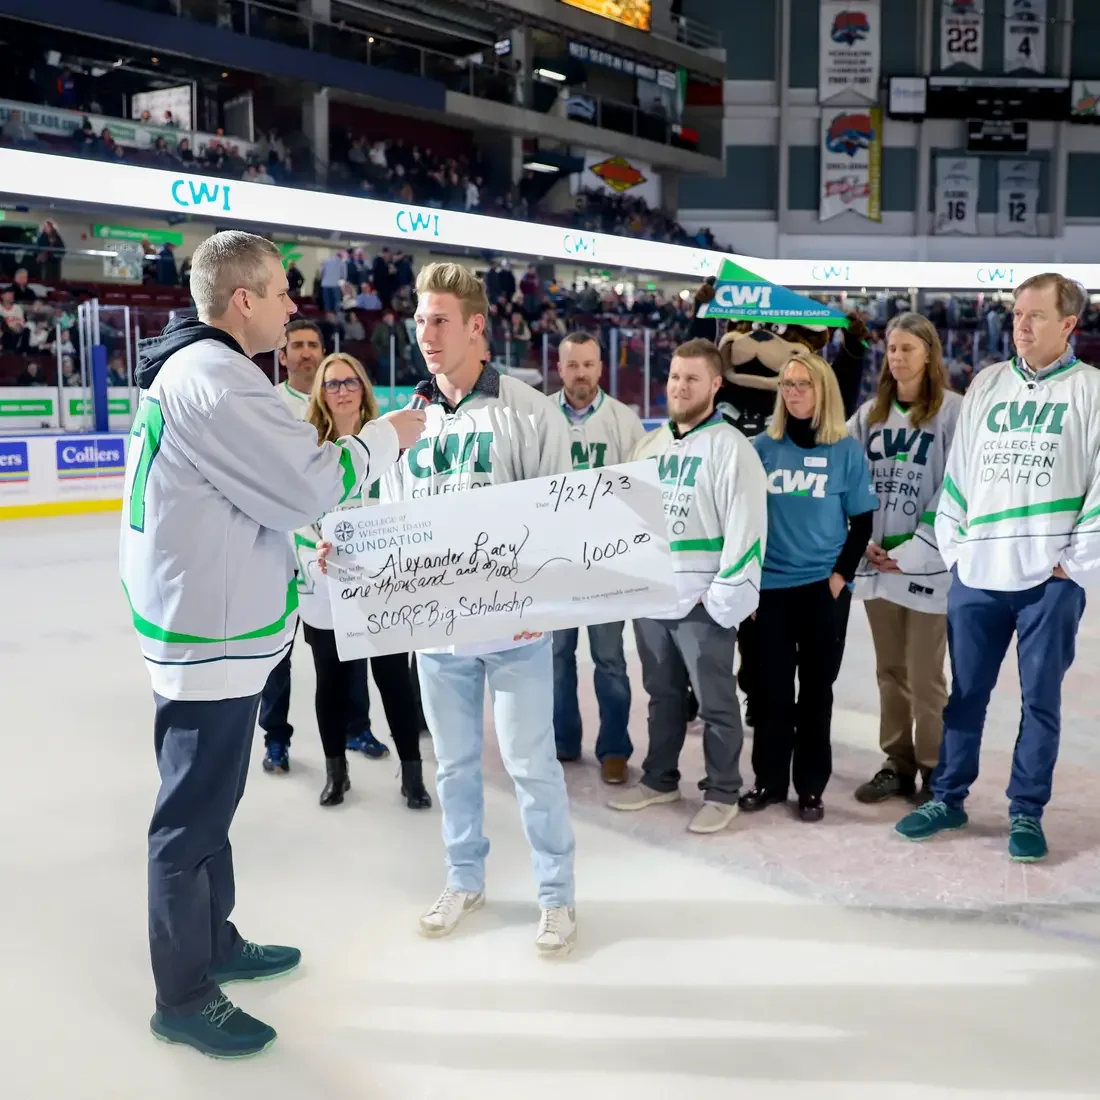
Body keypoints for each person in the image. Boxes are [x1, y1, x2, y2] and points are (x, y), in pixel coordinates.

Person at [120, 229, 425, 1058]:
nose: (296, 305)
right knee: (190, 822)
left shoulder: (199, 371)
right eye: (283, 291)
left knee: (212, 809)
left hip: (207, 626)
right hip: (205, 636)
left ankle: (212, 943)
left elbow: (232, 502)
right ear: (243, 300)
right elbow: (305, 483)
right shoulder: (216, 378)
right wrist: (388, 433)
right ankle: (182, 994)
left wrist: (294, 548)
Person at [332, 262, 578, 955]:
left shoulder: (530, 411)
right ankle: (464, 877)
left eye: (439, 320)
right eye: (419, 321)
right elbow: (389, 523)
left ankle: (556, 894)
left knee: (532, 766)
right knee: (454, 765)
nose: (425, 334)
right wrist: (348, 553)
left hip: (517, 629)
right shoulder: (402, 424)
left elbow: (560, 524)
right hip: (438, 634)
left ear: (477, 326)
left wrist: (544, 605)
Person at [897, 273, 1100, 862]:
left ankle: (1026, 811)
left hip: (1049, 582)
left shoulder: (1090, 391)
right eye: (1017, 314)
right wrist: (958, 550)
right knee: (966, 695)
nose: (1022, 325)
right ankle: (948, 797)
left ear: (1068, 324)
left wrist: (1072, 561)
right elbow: (959, 474)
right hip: (978, 574)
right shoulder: (987, 384)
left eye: (1036, 316)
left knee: (1040, 699)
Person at [608, 338, 767, 834]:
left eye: (692, 378)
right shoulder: (650, 445)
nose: (680, 386)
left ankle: (722, 791)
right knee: (662, 695)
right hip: (654, 597)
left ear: (715, 385)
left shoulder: (732, 448)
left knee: (717, 703)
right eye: (676, 376)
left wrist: (724, 597)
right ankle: (660, 779)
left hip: (703, 602)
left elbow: (748, 527)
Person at [739, 351, 876, 822]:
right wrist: (750, 585)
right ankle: (769, 781)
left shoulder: (846, 451)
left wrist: (840, 579)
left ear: (824, 391)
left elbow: (861, 522)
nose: (794, 392)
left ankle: (810, 786)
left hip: (823, 590)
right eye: (788, 385)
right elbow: (744, 522)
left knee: (817, 693)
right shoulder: (761, 450)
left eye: (804, 384)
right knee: (771, 692)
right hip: (770, 592)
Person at [295, 352, 432, 810]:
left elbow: (412, 507)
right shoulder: (307, 448)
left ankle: (412, 774)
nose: (342, 390)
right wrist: (313, 555)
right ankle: (337, 772)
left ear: (363, 387)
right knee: (330, 686)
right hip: (326, 589)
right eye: (332, 383)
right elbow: (292, 515)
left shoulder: (392, 442)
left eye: (350, 380)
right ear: (320, 393)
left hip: (383, 590)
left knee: (395, 682)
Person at [848, 313, 961, 805]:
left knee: (926, 674)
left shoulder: (953, 412)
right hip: (877, 563)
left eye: (907, 349)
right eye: (892, 348)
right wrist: (861, 540)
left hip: (929, 567)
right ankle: (897, 761)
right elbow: (850, 481)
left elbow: (956, 486)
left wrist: (918, 546)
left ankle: (936, 766)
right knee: (890, 671)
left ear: (929, 355)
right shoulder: (869, 415)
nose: (896, 357)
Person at [260, 320, 383, 773]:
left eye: (314, 345)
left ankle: (357, 726)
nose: (307, 353)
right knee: (278, 653)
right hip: (279, 551)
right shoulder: (270, 404)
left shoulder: (342, 409)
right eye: (297, 345)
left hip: (336, 554)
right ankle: (276, 737)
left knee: (350, 643)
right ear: (284, 354)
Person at [552, 332, 646, 784]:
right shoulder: (538, 416)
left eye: (589, 364)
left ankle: (614, 748)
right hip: (551, 562)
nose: (581, 373)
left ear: (600, 368)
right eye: (573, 365)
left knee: (610, 660)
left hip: (607, 562)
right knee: (556, 656)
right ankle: (562, 740)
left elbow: (642, 495)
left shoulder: (624, 422)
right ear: (560, 368)